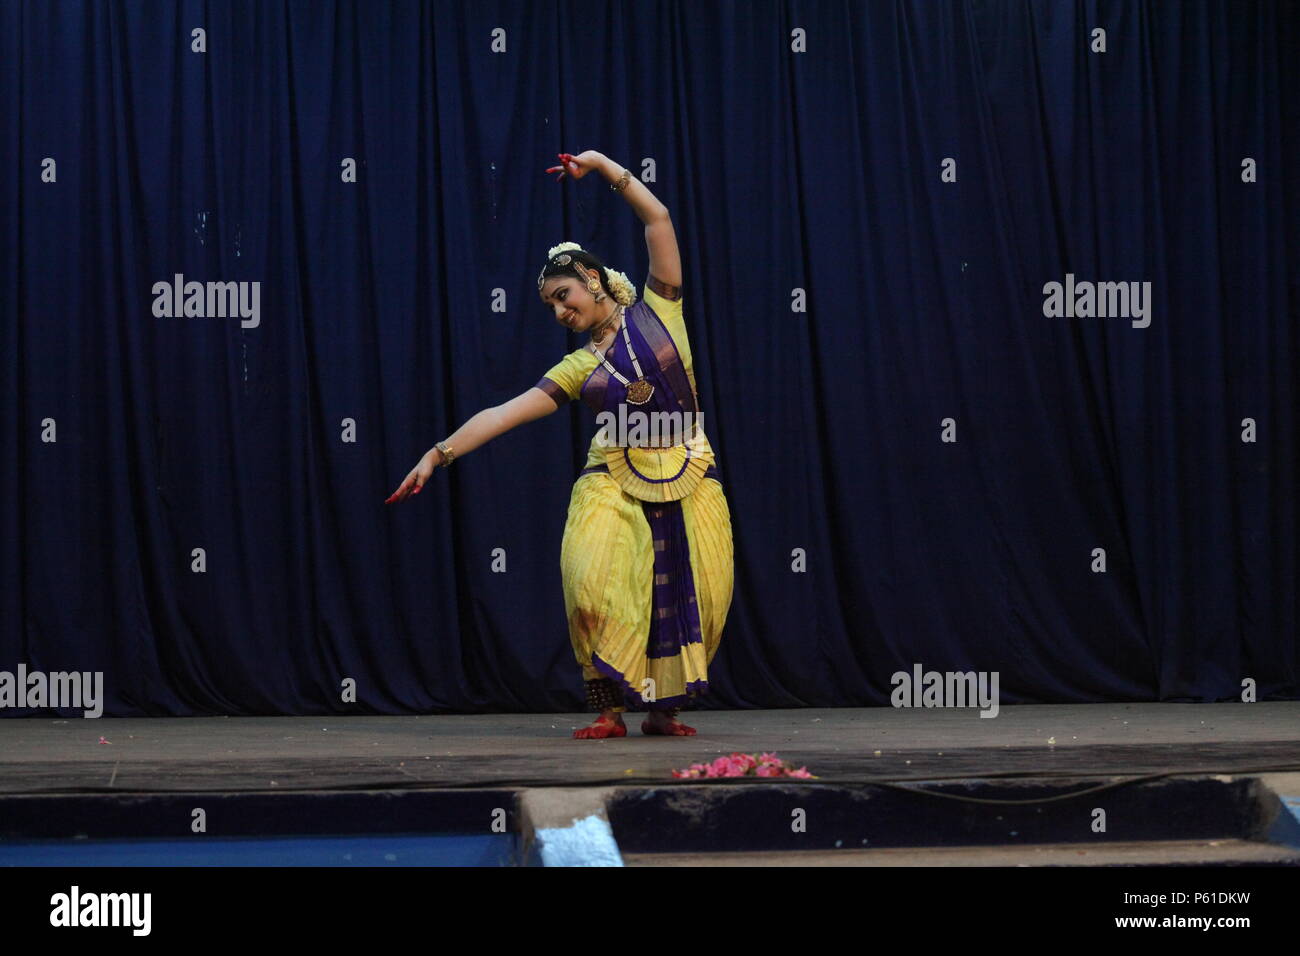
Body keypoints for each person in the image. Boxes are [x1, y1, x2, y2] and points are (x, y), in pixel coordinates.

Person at [386, 150, 734, 739]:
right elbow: (503, 414)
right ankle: (609, 709)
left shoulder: (661, 311)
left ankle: (663, 709)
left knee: (696, 591)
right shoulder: (576, 367)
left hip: (689, 470)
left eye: (564, 294)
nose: (559, 310)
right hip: (611, 478)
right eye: (550, 305)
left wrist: (600, 167)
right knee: (592, 583)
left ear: (594, 281)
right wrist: (438, 453)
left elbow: (659, 222)